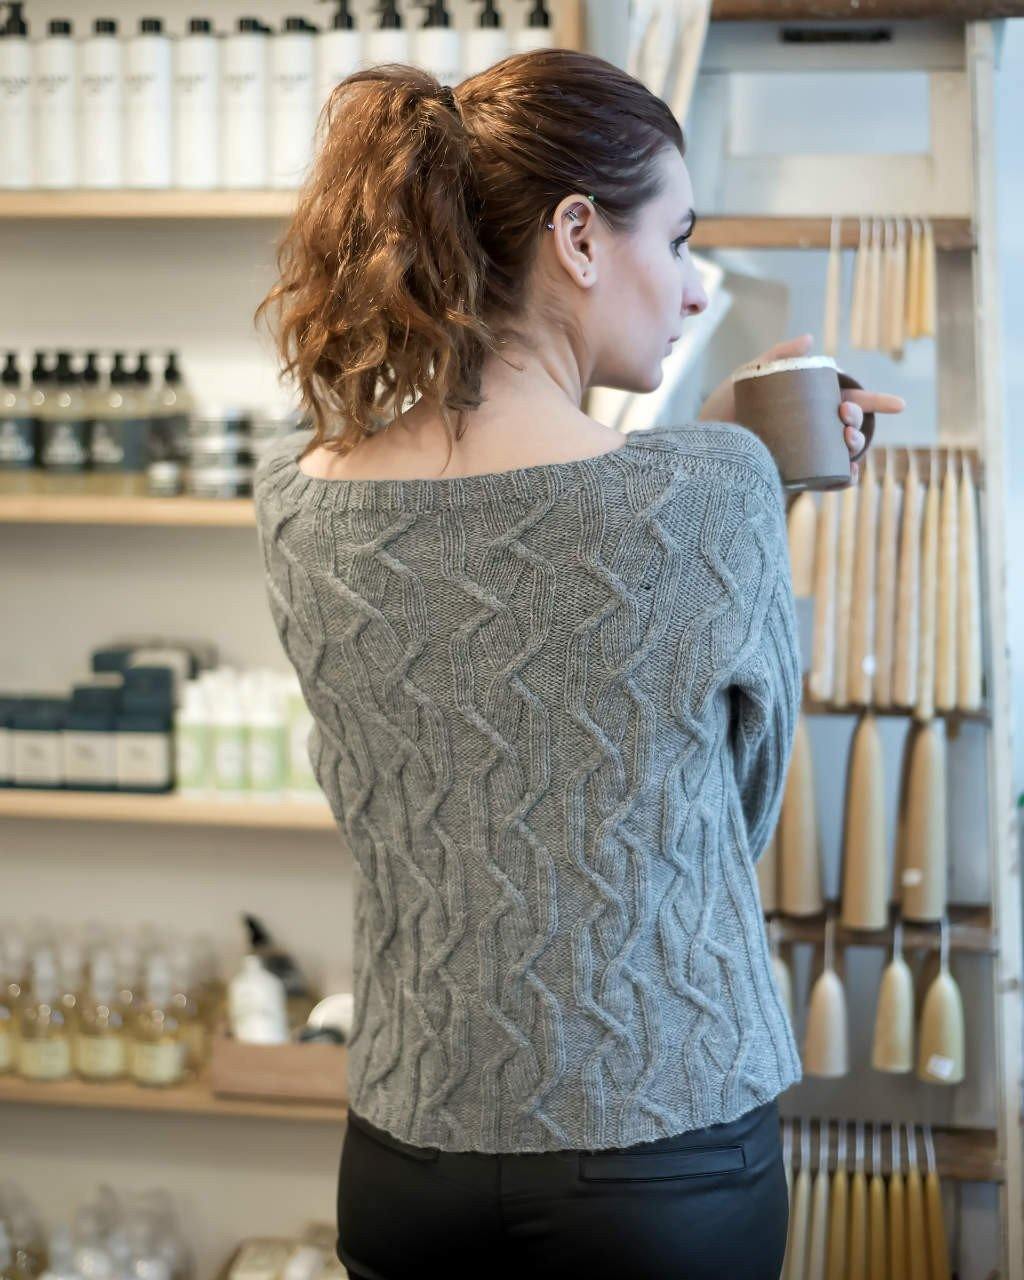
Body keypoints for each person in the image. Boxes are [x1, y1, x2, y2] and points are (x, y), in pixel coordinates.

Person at [252, 48, 903, 1280]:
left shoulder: (295, 499)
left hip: (408, 1153)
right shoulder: (710, 487)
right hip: (662, 1147)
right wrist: (745, 482)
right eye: (679, 239)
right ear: (579, 236)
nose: (693, 291)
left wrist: (724, 485)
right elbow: (723, 824)